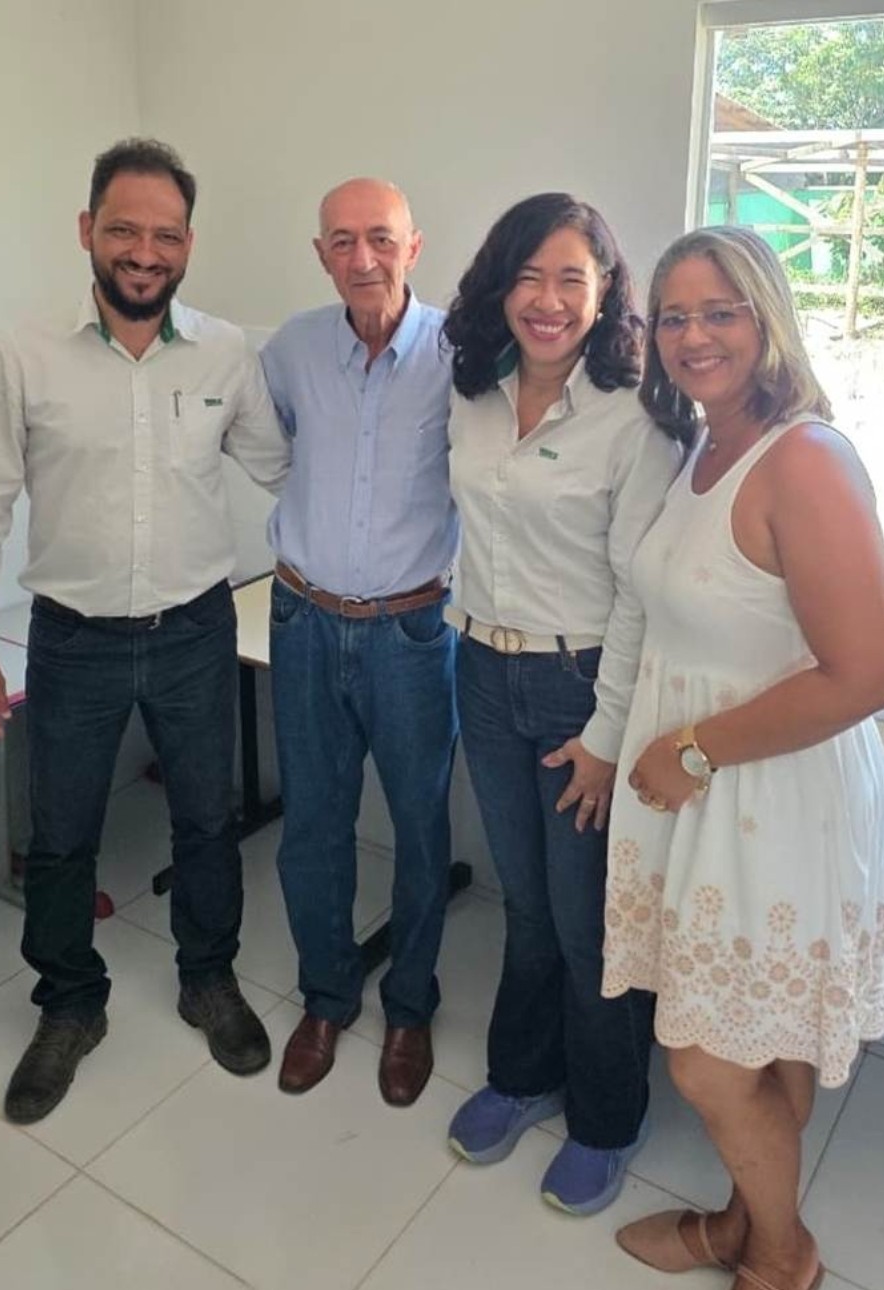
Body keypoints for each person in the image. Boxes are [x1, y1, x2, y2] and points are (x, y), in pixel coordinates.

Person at [0, 138, 289, 1125]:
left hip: (195, 629)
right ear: (87, 231)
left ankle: (208, 978)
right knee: (62, 837)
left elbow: (283, 470)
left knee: (207, 821)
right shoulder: (22, 354)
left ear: (188, 244)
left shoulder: (226, 353)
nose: (144, 252)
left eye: (165, 235)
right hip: (73, 640)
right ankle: (69, 1004)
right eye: (123, 230)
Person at [606, 226, 884, 1290]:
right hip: (717, 792)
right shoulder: (708, 444)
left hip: (770, 789)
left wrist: (691, 748)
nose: (693, 335)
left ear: (767, 317)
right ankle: (741, 1219)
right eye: (673, 316)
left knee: (706, 1063)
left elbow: (864, 671)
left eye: (719, 310)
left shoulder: (804, 459)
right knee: (761, 1038)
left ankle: (780, 1254)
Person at [441, 193, 682, 1214]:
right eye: (528, 276)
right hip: (479, 669)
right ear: (501, 287)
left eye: (570, 278)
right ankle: (524, 1071)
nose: (547, 300)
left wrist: (605, 736)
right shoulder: (472, 392)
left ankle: (607, 1117)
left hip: (580, 683)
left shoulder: (637, 419)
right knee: (527, 899)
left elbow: (639, 595)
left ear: (605, 290)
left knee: (587, 918)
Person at [259, 178, 459, 1107]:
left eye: (380, 238)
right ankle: (327, 998)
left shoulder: (463, 354)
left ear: (414, 247)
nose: (362, 258)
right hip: (303, 620)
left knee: (420, 828)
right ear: (321, 255)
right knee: (312, 824)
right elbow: (267, 448)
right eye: (341, 241)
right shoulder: (292, 350)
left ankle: (410, 1006)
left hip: (412, 633)